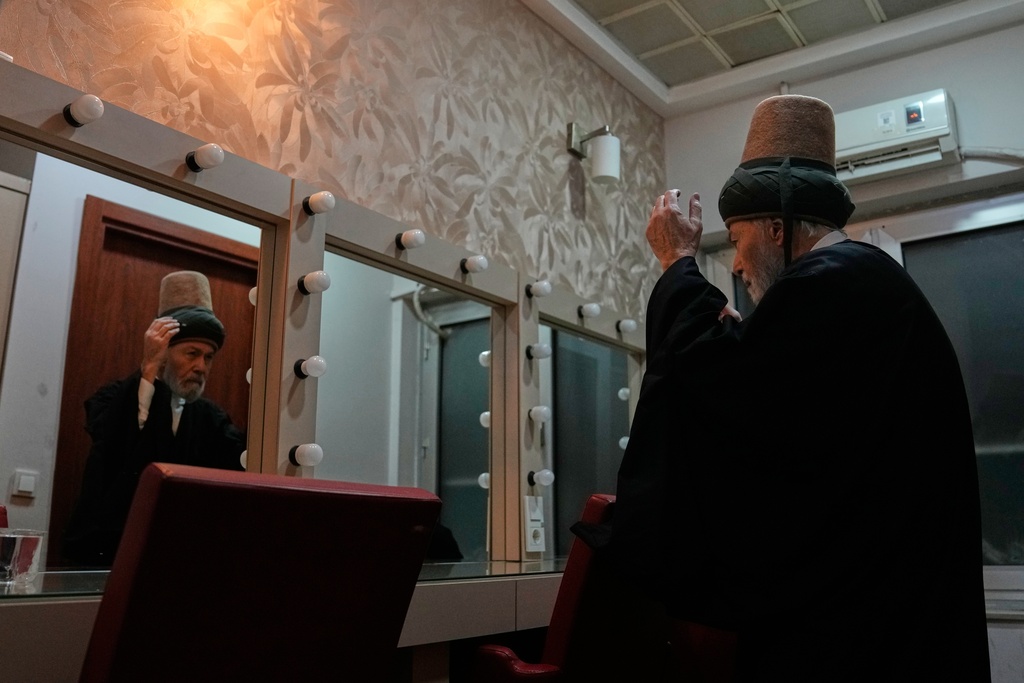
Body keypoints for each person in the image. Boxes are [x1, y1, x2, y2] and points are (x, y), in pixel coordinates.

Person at [605, 95, 991, 680]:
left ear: (776, 228)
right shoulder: (867, 288)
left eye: (736, 240)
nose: (734, 265)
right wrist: (739, 353)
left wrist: (678, 265)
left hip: (864, 639)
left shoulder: (833, 285)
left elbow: (730, 404)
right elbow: (790, 432)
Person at [63, 271, 245, 567]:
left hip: (179, 558)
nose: (201, 366)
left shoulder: (212, 419)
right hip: (107, 556)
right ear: (164, 352)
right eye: (192, 353)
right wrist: (149, 367)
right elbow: (112, 444)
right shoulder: (110, 399)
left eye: (208, 357)